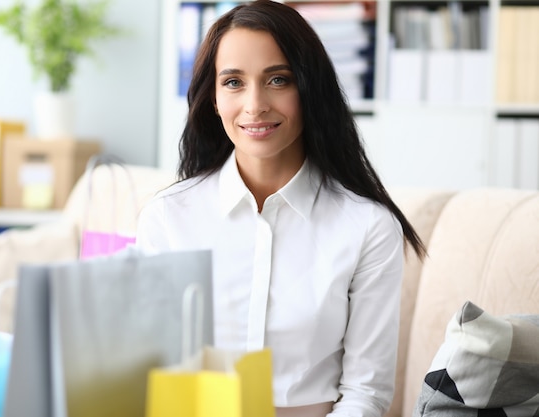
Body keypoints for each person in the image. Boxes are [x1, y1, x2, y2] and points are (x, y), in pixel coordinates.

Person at [137, 1, 425, 416]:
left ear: (309, 90)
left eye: (278, 79)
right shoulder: (166, 218)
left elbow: (366, 393)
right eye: (233, 82)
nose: (255, 105)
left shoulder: (369, 227)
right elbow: (151, 371)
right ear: (213, 99)